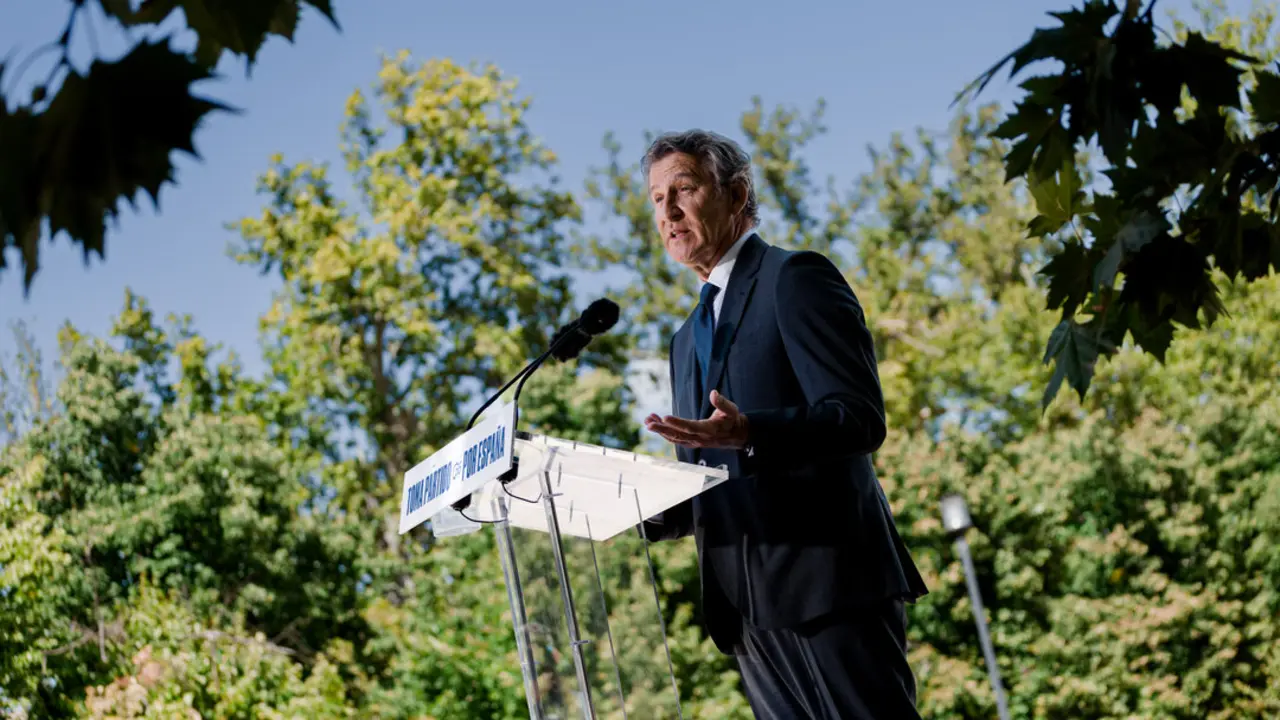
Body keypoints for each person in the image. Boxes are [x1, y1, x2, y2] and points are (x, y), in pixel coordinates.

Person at [639, 129, 929, 720]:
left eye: (684, 189)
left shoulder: (794, 278)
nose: (667, 211)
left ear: (737, 192)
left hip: (829, 585)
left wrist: (752, 433)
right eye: (655, 199)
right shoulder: (681, 340)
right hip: (744, 612)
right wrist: (636, 505)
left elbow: (857, 418)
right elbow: (707, 475)